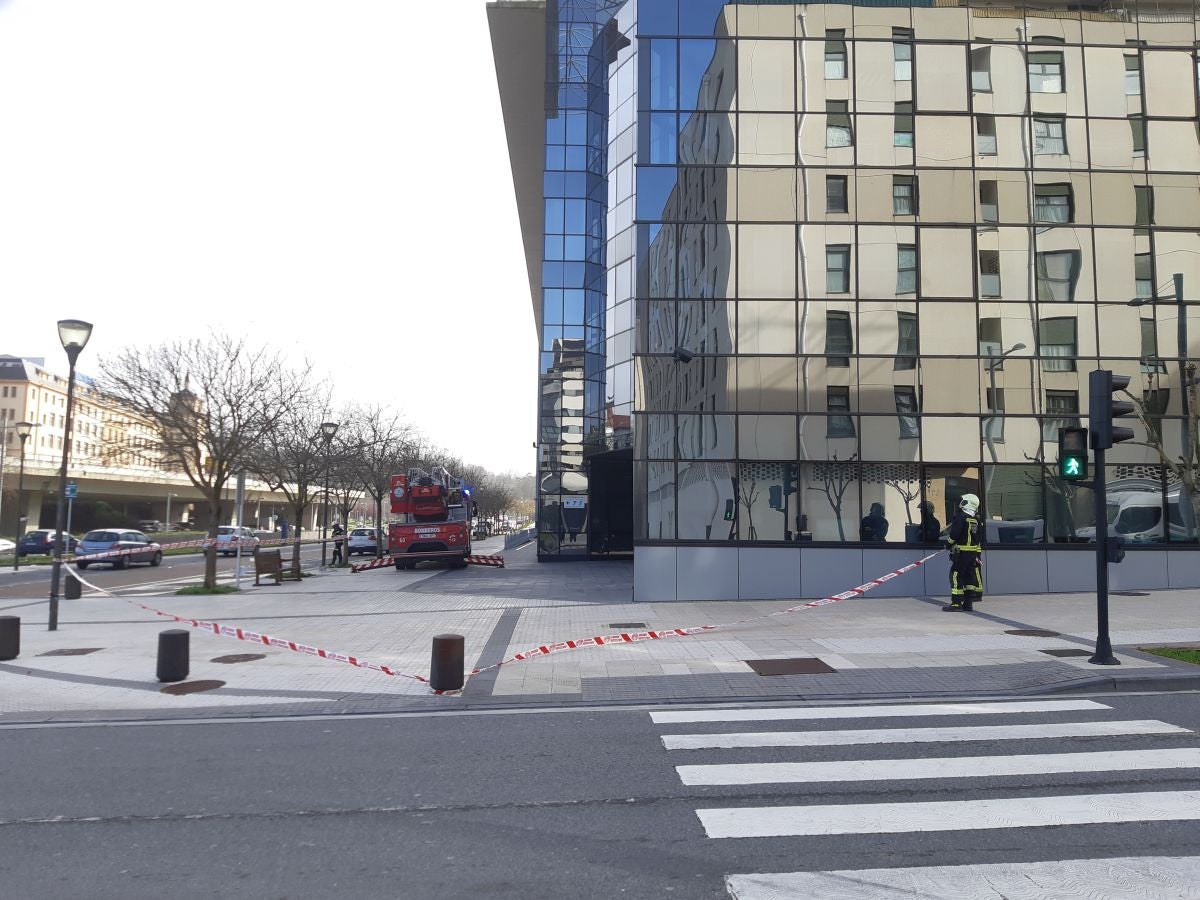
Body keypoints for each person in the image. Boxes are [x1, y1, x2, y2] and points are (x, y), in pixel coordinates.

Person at [943, 493, 983, 611]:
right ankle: (968, 603)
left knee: (956, 575)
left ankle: (956, 603)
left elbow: (955, 533)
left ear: (968, 503)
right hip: (972, 554)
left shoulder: (961, 517)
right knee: (969, 577)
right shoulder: (975, 520)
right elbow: (978, 537)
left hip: (961, 553)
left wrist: (948, 544)